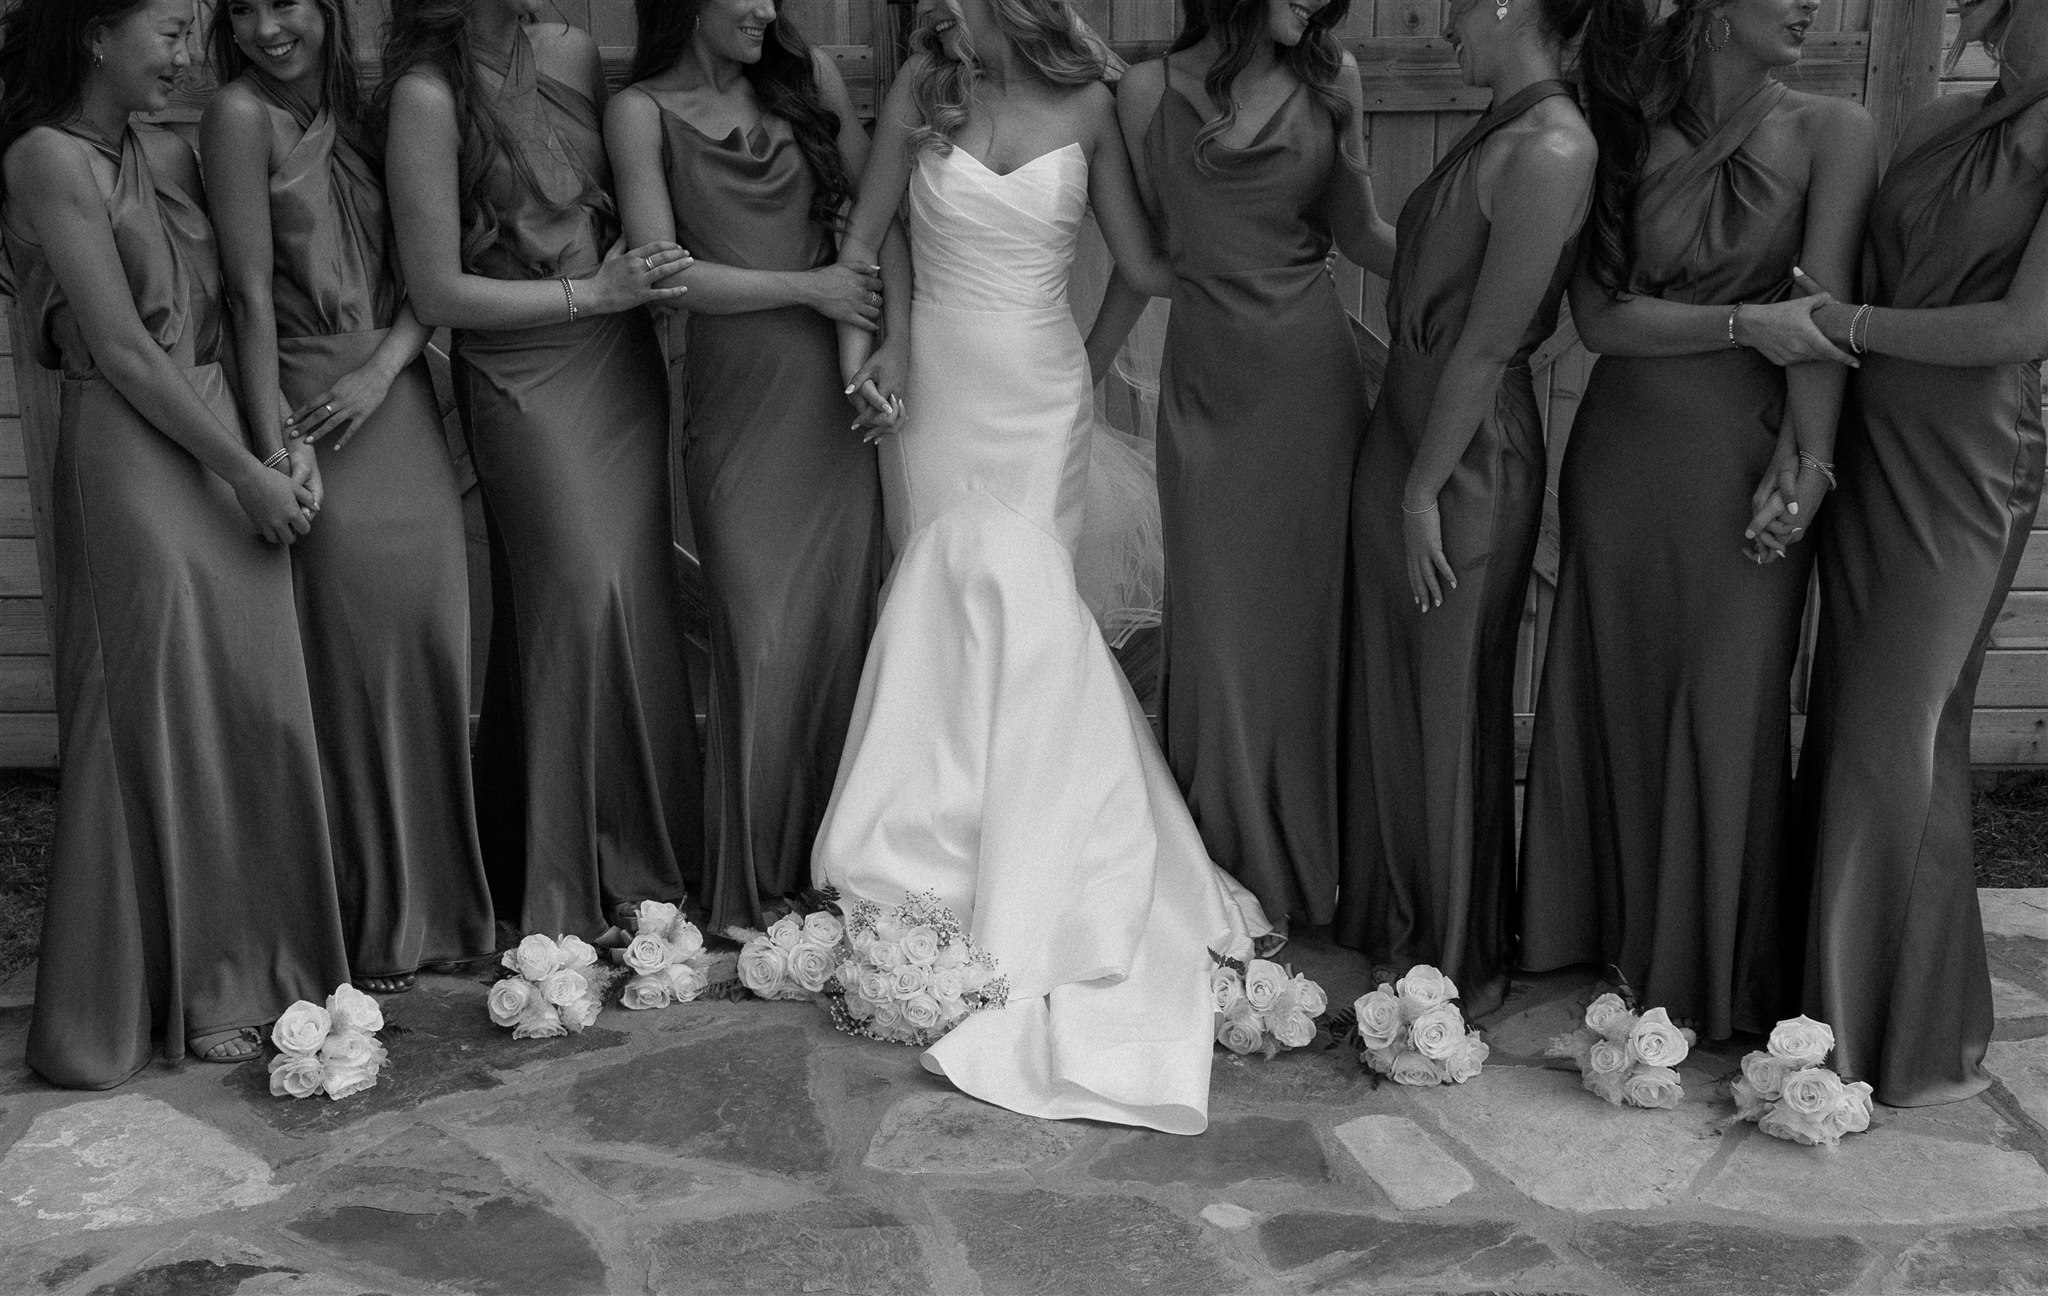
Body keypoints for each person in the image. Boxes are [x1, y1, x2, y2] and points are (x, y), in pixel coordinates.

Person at [811, 0, 1271, 1134]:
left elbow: (1145, 263)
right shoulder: (925, 90)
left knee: (1034, 622)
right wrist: (864, 361)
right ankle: (941, 849)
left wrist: (1092, 360)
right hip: (937, 397)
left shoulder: (1094, 100)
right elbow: (861, 247)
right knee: (943, 608)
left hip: (1041, 390)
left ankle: (1058, 862)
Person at [0, 0, 349, 1085]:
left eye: (196, 30)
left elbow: (240, 309)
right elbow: (120, 348)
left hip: (217, 435)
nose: (191, 52)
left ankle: (257, 966)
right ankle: (180, 989)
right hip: (136, 451)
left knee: (254, 699)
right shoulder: (45, 157)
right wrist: (241, 472)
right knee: (157, 712)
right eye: (169, 29)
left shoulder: (163, 146)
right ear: (95, 31)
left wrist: (276, 441)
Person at [1520, 0, 1875, 1039]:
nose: (1811, 6)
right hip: (1625, 453)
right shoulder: (1621, 130)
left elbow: (1822, 310)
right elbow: (1598, 318)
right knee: (1613, 684)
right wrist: (1737, 321)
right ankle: (1593, 934)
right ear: (1715, 13)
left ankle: (1710, 968)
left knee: (1726, 699)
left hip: (1746, 457)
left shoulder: (1832, 130)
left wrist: (1808, 460)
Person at [382, 0, 699, 938]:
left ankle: (593, 853)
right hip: (522, 370)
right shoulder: (425, 98)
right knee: (578, 593)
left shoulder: (568, 50)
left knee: (620, 600)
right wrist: (586, 293)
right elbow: (435, 288)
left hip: (619, 367)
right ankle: (576, 879)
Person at [202, 0, 493, 993]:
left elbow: (431, 271)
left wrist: (386, 371)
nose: (266, 28)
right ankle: (377, 919)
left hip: (394, 393)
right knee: (356, 658)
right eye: (242, 13)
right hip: (311, 406)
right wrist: (273, 439)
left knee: (429, 642)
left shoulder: (375, 108)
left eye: (283, 4)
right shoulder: (239, 116)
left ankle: (446, 907)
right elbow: (243, 295)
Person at [1087, 0, 1391, 940]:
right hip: (1210, 388)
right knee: (1217, 627)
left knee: (1307, 623)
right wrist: (1072, 374)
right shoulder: (1143, 93)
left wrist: (1484, 267)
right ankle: (1222, 867)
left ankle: (1314, 870)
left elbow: (1363, 235)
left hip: (1309, 381)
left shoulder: (1332, 80)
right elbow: (1148, 260)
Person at [1790, 0, 2048, 1106]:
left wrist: (1845, 327)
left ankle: (1859, 1036)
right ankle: (1903, 1014)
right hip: (1872, 439)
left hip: (1966, 459)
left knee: (1896, 724)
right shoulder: (1944, 121)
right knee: (1873, 718)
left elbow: (2015, 330)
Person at [1337, 0, 1613, 1019]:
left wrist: (1420, 489)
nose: (1446, 23)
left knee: (1450, 696)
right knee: (1392, 686)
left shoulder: (1551, 145)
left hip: (1462, 462)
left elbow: (1490, 344)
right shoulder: (1494, 131)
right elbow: (1404, 262)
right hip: (1399, 440)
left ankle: (1450, 948)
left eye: (1459, 6)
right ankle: (1391, 912)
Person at [607, 0, 888, 934]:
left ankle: (835, 868)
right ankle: (748, 884)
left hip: (830, 395)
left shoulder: (810, 84)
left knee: (838, 630)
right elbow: (666, 271)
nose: (768, 9)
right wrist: (808, 286)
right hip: (736, 400)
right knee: (757, 632)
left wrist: (872, 343)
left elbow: (878, 213)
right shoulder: (641, 111)